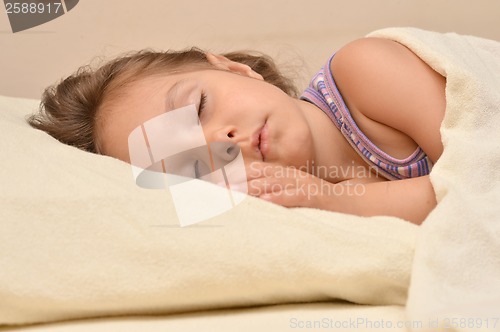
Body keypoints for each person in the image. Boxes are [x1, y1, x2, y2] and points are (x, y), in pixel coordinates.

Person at [28, 37, 446, 225]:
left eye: (199, 107)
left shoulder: (364, 73)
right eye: (192, 162)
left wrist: (335, 199)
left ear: (234, 68)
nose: (222, 142)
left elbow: (485, 176)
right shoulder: (298, 209)